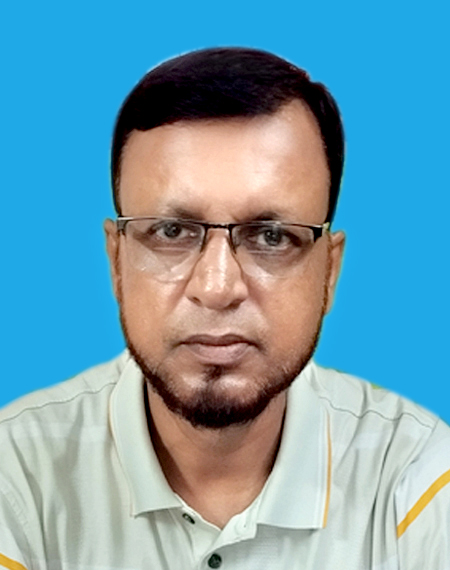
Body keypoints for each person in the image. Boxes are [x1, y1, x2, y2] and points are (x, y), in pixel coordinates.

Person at [0, 47, 449, 570]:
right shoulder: (16, 474)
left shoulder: (418, 477)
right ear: (117, 261)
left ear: (329, 272)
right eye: (172, 231)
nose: (216, 289)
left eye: (271, 236)